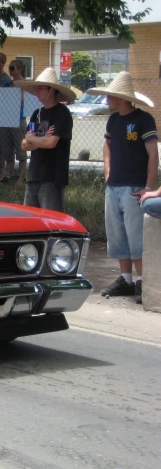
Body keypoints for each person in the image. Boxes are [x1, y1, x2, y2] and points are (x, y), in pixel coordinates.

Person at [84, 72, 157, 304]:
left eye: (111, 95)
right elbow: (107, 145)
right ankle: (126, 279)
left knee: (136, 236)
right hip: (114, 185)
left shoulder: (144, 119)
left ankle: (143, 281)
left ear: (122, 98)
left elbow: (153, 153)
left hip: (134, 186)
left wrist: (148, 186)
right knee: (117, 235)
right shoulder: (113, 120)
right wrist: (107, 170)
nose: (107, 98)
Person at [16, 67, 75, 212]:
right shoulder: (37, 114)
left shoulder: (62, 113)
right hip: (33, 176)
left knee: (51, 220)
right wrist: (36, 139)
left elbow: (51, 143)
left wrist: (33, 139)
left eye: (41, 88)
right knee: (30, 220)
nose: (37, 92)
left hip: (52, 177)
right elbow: (24, 145)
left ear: (52, 90)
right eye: (36, 88)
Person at [0, 59, 28, 183]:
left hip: (19, 119)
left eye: (12, 68)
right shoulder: (7, 84)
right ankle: (8, 176)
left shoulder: (27, 85)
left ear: (20, 69)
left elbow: (21, 100)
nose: (10, 70)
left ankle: (21, 178)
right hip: (6, 120)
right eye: (9, 68)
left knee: (21, 151)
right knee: (7, 151)